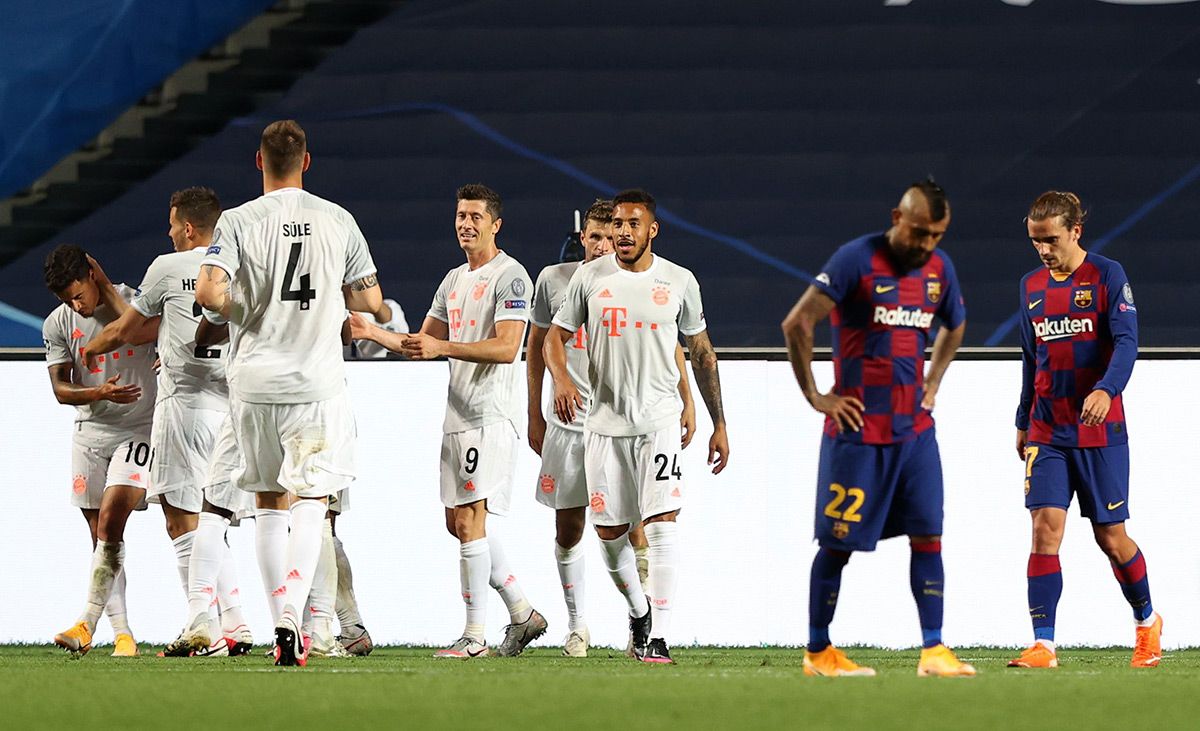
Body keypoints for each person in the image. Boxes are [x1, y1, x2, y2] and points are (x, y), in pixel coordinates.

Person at [195, 119, 382, 666]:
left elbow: (209, 292)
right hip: (316, 384)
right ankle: (291, 619)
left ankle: (277, 608)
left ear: (258, 162)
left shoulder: (237, 221)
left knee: (267, 503)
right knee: (311, 500)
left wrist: (245, 308)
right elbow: (371, 302)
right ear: (308, 160)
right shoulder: (337, 220)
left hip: (253, 384)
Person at [781, 179, 975, 677]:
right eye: (919, 233)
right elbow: (797, 324)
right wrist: (816, 396)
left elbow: (956, 323)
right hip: (857, 432)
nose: (927, 245)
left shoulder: (939, 269)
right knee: (837, 544)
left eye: (937, 235)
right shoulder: (856, 260)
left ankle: (934, 651)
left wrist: (934, 379)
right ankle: (818, 652)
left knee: (929, 535)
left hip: (914, 432)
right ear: (896, 217)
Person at [350, 183, 545, 659]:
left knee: (472, 518)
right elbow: (421, 343)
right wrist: (372, 330)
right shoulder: (454, 279)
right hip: (458, 416)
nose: (466, 223)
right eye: (460, 215)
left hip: (489, 415)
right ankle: (523, 613)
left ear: (495, 224)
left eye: (476, 216)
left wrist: (444, 348)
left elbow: (505, 347)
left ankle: (474, 635)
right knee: (457, 523)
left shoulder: (512, 276)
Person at [545, 188, 730, 664]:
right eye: (619, 225)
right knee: (609, 535)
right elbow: (554, 338)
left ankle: (660, 638)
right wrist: (562, 378)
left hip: (659, 422)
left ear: (652, 230)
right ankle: (639, 610)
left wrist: (718, 422)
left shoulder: (679, 281)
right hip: (603, 426)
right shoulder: (588, 278)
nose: (624, 233)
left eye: (633, 224)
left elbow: (701, 352)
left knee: (663, 525)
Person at [83, 188, 256, 657]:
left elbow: (127, 327)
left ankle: (202, 627)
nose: (168, 230)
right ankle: (236, 624)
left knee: (181, 520)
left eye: (172, 222)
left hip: (184, 407)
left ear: (188, 228)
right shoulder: (241, 265)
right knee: (214, 518)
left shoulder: (167, 266)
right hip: (235, 406)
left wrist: (94, 348)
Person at [1008, 191, 1160, 669]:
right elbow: (1033, 359)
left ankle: (1147, 621)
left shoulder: (1107, 276)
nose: (1043, 250)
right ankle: (1043, 645)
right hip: (1047, 430)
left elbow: (1128, 342)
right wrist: (1021, 418)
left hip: (1099, 429)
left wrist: (1108, 389)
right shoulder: (1030, 285)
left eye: (1051, 239)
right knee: (1044, 530)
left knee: (1111, 537)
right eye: (1036, 241)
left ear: (1076, 231)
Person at [44, 245, 158, 657]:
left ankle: (87, 622)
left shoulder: (135, 304)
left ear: (93, 277)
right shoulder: (58, 324)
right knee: (99, 539)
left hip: (139, 430)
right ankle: (122, 634)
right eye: (66, 301)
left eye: (79, 295)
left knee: (112, 520)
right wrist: (98, 392)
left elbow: (165, 336)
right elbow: (60, 388)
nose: (76, 306)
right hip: (89, 434)